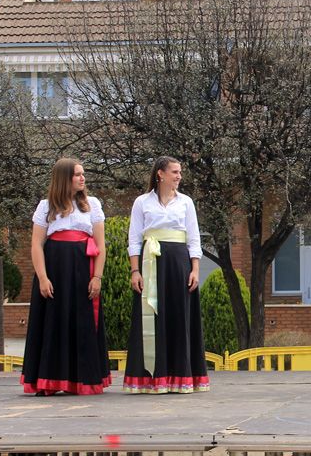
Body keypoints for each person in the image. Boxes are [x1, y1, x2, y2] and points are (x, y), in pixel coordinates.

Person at [22, 158, 110, 395]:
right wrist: (42, 277)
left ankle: (79, 380)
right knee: (53, 322)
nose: (83, 178)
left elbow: (101, 245)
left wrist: (97, 277)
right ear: (64, 178)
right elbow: (36, 245)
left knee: (81, 324)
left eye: (83, 174)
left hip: (84, 271)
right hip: (55, 272)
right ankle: (49, 381)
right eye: (77, 174)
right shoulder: (45, 206)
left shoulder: (92, 204)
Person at [124, 156, 208, 394]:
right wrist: (135, 270)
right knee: (151, 317)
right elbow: (133, 238)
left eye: (180, 172)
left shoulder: (186, 202)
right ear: (160, 174)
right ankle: (151, 378)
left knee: (179, 317)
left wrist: (195, 269)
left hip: (178, 264)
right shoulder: (142, 202)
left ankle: (180, 377)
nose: (179, 176)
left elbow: (193, 238)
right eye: (175, 171)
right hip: (151, 264)